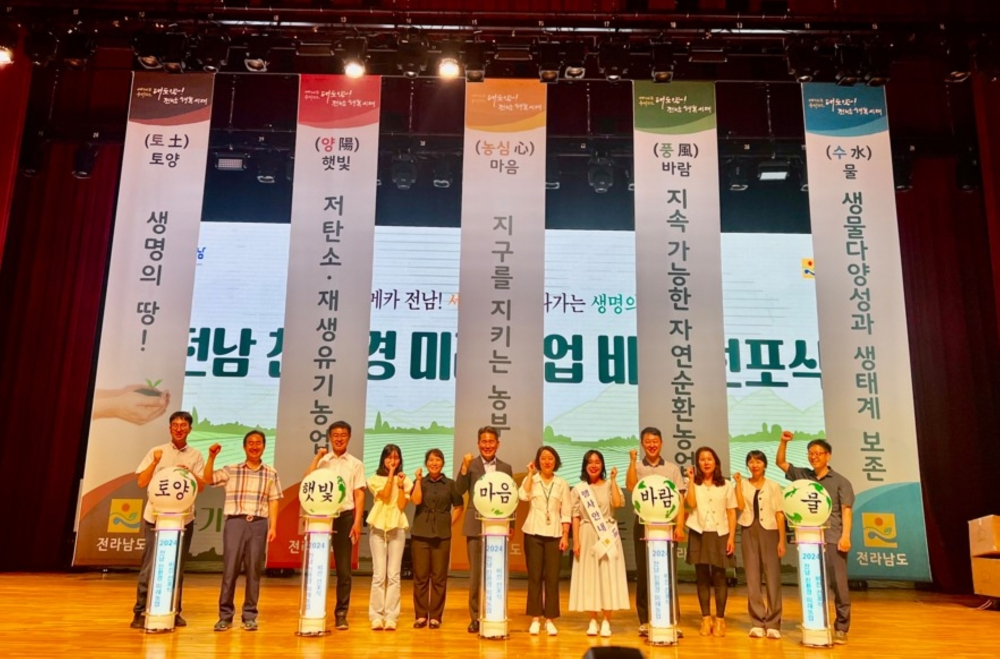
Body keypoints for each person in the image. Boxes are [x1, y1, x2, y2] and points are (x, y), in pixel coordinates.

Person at [776, 431, 855, 645]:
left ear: (828, 456)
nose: (814, 456)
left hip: (833, 538)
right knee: (815, 582)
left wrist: (845, 536)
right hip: (809, 540)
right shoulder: (804, 476)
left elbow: (846, 510)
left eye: (818, 453)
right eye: (811, 453)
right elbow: (781, 462)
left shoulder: (841, 481)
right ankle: (818, 623)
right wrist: (783, 442)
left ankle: (842, 627)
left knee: (839, 584)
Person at [130, 410, 205, 629]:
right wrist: (155, 463)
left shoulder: (195, 455)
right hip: (155, 518)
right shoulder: (157, 451)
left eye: (183, 425)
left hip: (183, 520)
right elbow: (141, 482)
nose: (179, 429)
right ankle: (140, 611)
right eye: (175, 425)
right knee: (150, 565)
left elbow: (200, 487)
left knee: (176, 566)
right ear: (170, 428)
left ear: (190, 429)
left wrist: (190, 474)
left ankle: (174, 610)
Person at [203, 430, 282, 632]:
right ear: (244, 447)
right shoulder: (232, 469)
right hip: (235, 523)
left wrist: (273, 526)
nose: (254, 446)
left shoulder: (270, 472)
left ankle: (250, 615)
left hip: (259, 523)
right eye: (250, 443)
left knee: (254, 571)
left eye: (258, 443)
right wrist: (211, 457)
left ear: (264, 446)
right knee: (230, 570)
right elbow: (208, 479)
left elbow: (273, 500)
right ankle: (225, 616)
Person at [625, 426, 687, 638]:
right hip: (643, 523)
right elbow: (631, 486)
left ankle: (671, 618)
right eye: (647, 441)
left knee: (668, 571)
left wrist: (680, 526)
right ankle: (644, 620)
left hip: (667, 525)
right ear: (642, 444)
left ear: (661, 443)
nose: (651, 445)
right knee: (643, 572)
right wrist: (632, 461)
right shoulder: (637, 466)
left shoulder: (671, 469)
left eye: (655, 441)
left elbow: (680, 499)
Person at [305, 420, 366, 631]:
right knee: (318, 566)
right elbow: (308, 481)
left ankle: (341, 613)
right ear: (330, 437)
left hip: (345, 517)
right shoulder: (323, 461)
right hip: (322, 518)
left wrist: (357, 522)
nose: (339, 438)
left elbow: (359, 494)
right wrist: (317, 457)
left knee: (343, 569)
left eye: (343, 435)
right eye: (335, 435)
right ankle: (315, 610)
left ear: (349, 437)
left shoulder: (355, 464)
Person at [454, 425, 513, 634]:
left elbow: (510, 498)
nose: (487, 445)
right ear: (478, 443)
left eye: (491, 441)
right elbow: (458, 490)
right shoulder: (470, 465)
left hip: (498, 527)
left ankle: (494, 613)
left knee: (495, 572)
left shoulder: (506, 468)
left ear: (498, 444)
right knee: (476, 574)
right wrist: (463, 468)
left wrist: (512, 525)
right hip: (475, 524)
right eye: (484, 441)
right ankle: (475, 617)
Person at [569, 450, 629, 637]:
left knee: (607, 576)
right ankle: (593, 620)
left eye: (597, 462)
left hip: (607, 534)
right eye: (590, 462)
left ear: (602, 465)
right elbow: (575, 516)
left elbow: (617, 504)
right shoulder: (579, 489)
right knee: (590, 577)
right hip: (587, 534)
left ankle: (606, 621)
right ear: (585, 465)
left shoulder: (610, 484)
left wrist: (614, 481)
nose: (593, 465)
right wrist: (576, 540)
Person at [684, 446, 737, 638]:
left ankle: (720, 619)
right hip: (699, 532)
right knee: (702, 578)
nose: (706, 462)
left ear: (716, 462)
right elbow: (690, 504)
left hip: (720, 532)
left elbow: (731, 512)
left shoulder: (726, 484)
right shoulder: (692, 483)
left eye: (709, 459)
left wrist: (731, 537)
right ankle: (706, 618)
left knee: (720, 578)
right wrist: (691, 480)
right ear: (697, 463)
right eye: (702, 459)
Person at [518, 445, 571, 636]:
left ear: (555, 461)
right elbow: (522, 496)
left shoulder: (561, 483)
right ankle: (535, 618)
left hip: (555, 534)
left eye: (550, 458)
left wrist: (565, 534)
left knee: (552, 577)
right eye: (543, 458)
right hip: (533, 533)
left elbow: (566, 511)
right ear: (538, 461)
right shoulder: (532, 480)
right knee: (534, 576)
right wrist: (530, 474)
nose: (547, 461)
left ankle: (550, 619)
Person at [733, 449, 786, 639]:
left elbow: (780, 514)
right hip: (749, 530)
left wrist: (781, 540)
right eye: (751, 462)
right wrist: (738, 484)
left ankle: (773, 622)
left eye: (758, 462)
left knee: (772, 577)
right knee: (752, 577)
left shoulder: (774, 486)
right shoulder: (742, 484)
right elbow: (740, 506)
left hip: (770, 531)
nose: (754, 465)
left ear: (764, 465)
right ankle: (757, 621)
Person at [410, 448, 464, 630]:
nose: (434, 463)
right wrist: (418, 481)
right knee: (421, 576)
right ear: (426, 463)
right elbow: (416, 500)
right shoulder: (420, 482)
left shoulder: (450, 484)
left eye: (438, 460)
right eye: (431, 460)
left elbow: (459, 506)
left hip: (442, 535)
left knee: (439, 577)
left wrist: (449, 523)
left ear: (443, 463)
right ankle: (420, 616)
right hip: (420, 533)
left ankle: (435, 617)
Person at [366, 443, 413, 631]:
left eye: (396, 457)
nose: (392, 461)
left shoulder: (406, 480)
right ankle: (376, 616)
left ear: (400, 459)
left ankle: (391, 616)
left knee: (393, 575)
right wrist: (392, 475)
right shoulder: (374, 479)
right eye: (389, 457)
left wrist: (400, 485)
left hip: (397, 526)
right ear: (383, 459)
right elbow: (385, 496)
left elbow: (401, 505)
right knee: (379, 574)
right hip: (378, 527)